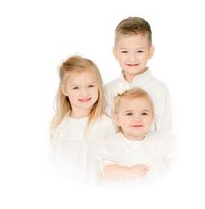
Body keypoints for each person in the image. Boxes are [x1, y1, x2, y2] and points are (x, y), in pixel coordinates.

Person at [50, 55, 113, 183]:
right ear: (65, 90)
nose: (84, 93)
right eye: (76, 87)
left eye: (90, 86)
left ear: (98, 86)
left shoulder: (106, 125)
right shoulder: (59, 124)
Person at [105, 16, 171, 132]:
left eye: (139, 51)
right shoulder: (109, 89)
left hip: (149, 148)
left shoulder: (159, 90)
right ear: (115, 53)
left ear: (150, 52)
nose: (132, 58)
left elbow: (163, 130)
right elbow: (105, 127)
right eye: (125, 51)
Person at [95, 87, 173, 186]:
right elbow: (107, 172)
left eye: (144, 113)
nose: (137, 119)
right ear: (117, 119)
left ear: (152, 118)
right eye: (129, 114)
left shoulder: (158, 142)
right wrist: (130, 171)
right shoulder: (113, 144)